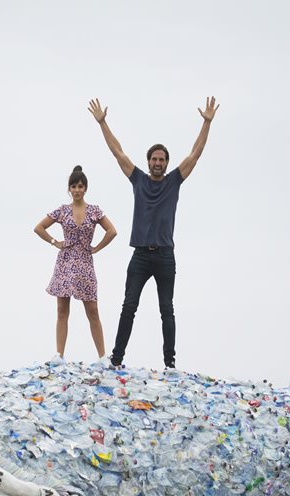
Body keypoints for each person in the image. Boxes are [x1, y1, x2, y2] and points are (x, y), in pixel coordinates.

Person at [89, 96, 219, 370]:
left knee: (167, 310)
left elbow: (195, 154)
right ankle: (117, 359)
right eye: (154, 159)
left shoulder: (174, 181)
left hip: (164, 256)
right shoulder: (138, 179)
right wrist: (103, 123)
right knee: (129, 306)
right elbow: (118, 152)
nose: (157, 162)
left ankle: (169, 363)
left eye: (162, 159)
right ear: (148, 162)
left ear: (167, 162)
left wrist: (206, 123)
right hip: (140, 256)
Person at [34, 165, 117, 362]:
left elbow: (112, 231)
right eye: (74, 186)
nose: (77, 190)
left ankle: (102, 356)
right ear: (69, 189)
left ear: (85, 188)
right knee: (62, 309)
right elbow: (39, 227)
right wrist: (55, 242)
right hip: (65, 262)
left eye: (80, 186)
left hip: (85, 263)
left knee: (93, 310)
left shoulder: (95, 211)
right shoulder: (62, 211)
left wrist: (96, 247)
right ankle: (59, 354)